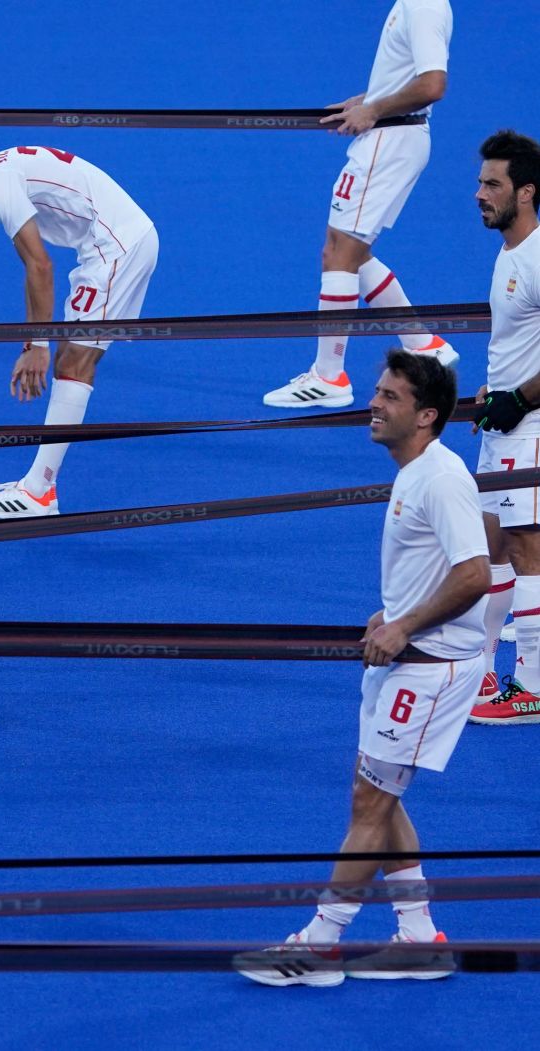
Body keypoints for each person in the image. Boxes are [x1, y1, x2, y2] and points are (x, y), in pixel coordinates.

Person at [235, 351, 489, 986]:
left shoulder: (441, 479)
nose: (374, 404)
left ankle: (320, 946)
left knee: (369, 801)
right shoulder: (414, 471)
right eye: (377, 392)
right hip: (405, 656)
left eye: (391, 397)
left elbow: (475, 575)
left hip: (428, 669)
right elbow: (438, 570)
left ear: (427, 416)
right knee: (380, 795)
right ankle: (420, 936)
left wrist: (406, 625)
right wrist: (394, 612)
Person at [0, 133, 158, 520]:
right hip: (112, 245)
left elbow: (41, 265)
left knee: (72, 364)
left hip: (116, 247)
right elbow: (32, 268)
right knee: (72, 362)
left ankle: (39, 492)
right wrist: (32, 343)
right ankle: (38, 487)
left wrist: (38, 345)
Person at [263, 0, 456, 410]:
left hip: (390, 141)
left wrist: (375, 110)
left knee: (339, 253)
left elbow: (432, 84)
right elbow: (408, 76)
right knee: (352, 251)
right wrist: (367, 99)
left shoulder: (422, 6)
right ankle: (425, 344)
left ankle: (328, 377)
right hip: (396, 137)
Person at [467, 130, 540, 724]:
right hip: (506, 421)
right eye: (481, 182)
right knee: (490, 545)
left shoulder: (539, 257)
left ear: (527, 191)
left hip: (532, 426)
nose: (479, 193)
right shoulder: (510, 253)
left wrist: (518, 398)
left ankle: (533, 687)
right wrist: (497, 391)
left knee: (525, 547)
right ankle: (484, 673)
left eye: (492, 184)